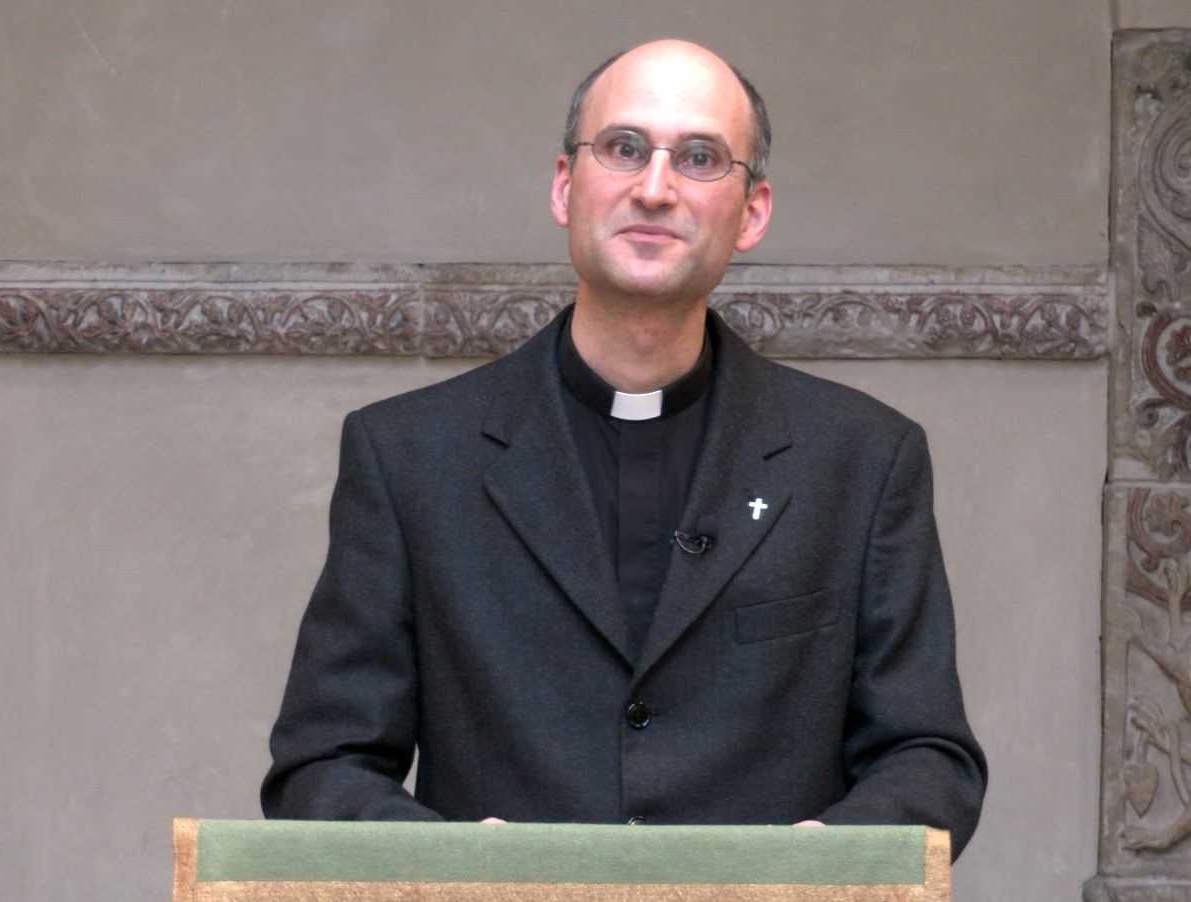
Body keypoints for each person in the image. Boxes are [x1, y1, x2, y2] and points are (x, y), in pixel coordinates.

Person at [262, 38, 987, 859]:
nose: (654, 188)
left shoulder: (862, 460)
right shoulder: (406, 457)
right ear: (564, 185)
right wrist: (459, 866)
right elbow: (321, 767)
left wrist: (816, 866)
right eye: (624, 147)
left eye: (700, 158)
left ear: (752, 211)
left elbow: (929, 759)